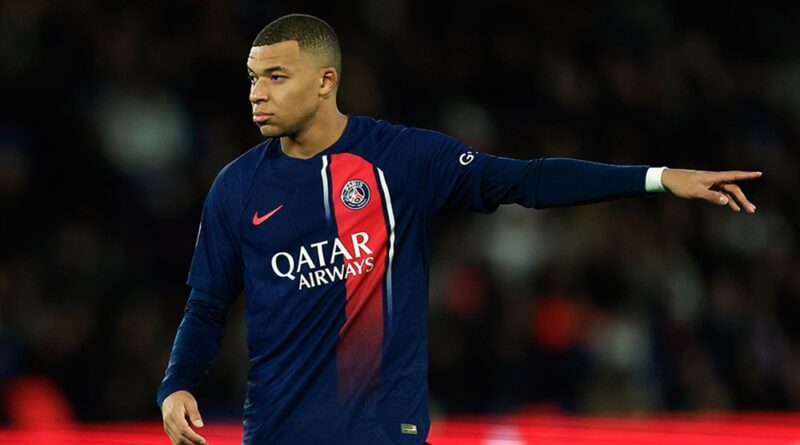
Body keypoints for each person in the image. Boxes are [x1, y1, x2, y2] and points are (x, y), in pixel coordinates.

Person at [156, 13, 762, 445]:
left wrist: (658, 178)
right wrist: (177, 384)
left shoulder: (400, 159)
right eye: (252, 78)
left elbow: (526, 180)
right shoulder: (237, 188)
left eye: (275, 77)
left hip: (383, 433)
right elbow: (207, 305)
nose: (257, 94)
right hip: (276, 433)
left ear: (325, 80)